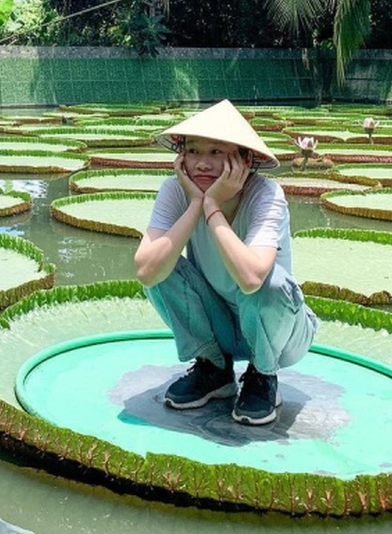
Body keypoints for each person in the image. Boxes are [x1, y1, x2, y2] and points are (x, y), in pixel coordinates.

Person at [134, 99, 317, 426]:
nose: (202, 164)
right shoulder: (175, 191)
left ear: (245, 160)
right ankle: (214, 368)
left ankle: (263, 374)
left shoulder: (266, 194)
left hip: (280, 331)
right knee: (160, 262)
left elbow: (250, 278)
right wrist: (195, 204)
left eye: (217, 153)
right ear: (181, 157)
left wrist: (213, 208)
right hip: (220, 321)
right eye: (193, 151)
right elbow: (146, 270)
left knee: (267, 281)